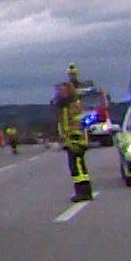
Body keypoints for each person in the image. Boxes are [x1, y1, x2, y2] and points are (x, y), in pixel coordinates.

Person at [54, 74, 92, 202]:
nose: (60, 93)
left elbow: (77, 123)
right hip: (71, 141)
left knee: (79, 168)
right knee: (75, 168)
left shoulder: (73, 105)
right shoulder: (64, 106)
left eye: (62, 91)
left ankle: (84, 192)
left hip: (76, 141)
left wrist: (74, 139)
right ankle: (80, 191)